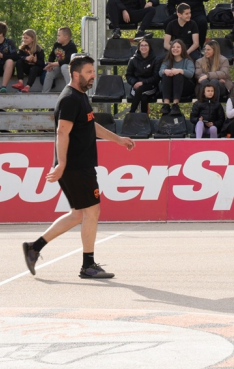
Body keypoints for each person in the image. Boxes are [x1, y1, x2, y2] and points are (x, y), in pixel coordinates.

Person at [22, 54, 136, 280]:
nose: (93, 76)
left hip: (77, 165)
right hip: (76, 166)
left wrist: (118, 140)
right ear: (76, 74)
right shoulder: (70, 99)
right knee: (92, 211)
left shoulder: (81, 96)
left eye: (93, 72)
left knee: (78, 214)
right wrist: (62, 164)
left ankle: (34, 248)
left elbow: (90, 126)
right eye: (89, 72)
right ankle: (88, 265)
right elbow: (62, 132)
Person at [159, 39, 195, 115]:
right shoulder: (167, 60)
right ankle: (166, 104)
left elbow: (191, 73)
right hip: (169, 89)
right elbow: (160, 72)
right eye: (173, 47)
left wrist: (180, 70)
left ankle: (175, 105)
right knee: (165, 74)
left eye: (178, 47)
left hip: (184, 89)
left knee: (178, 75)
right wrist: (165, 71)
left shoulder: (187, 61)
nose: (175, 49)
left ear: (182, 49)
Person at [125, 38, 160, 114]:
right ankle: (144, 119)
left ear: (149, 47)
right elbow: (128, 75)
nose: (144, 47)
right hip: (136, 85)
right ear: (138, 47)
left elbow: (156, 77)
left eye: (146, 45)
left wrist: (143, 82)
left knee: (140, 90)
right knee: (143, 98)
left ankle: (131, 112)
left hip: (150, 86)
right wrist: (135, 82)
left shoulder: (156, 60)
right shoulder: (133, 60)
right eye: (142, 45)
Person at [41, 27, 77, 93]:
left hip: (68, 68)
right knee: (50, 71)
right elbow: (52, 55)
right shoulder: (56, 44)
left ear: (66, 37)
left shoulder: (71, 46)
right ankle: (44, 93)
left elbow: (67, 60)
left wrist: (53, 64)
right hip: (58, 67)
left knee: (64, 67)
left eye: (59, 35)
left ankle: (71, 91)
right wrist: (50, 64)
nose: (57, 37)